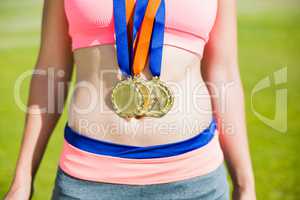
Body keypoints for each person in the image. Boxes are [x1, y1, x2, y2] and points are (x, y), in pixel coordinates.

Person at [5, 0, 256, 199]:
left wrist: (245, 185)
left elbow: (223, 75)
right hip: (87, 179)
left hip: (196, 179)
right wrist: (22, 179)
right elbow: (50, 74)